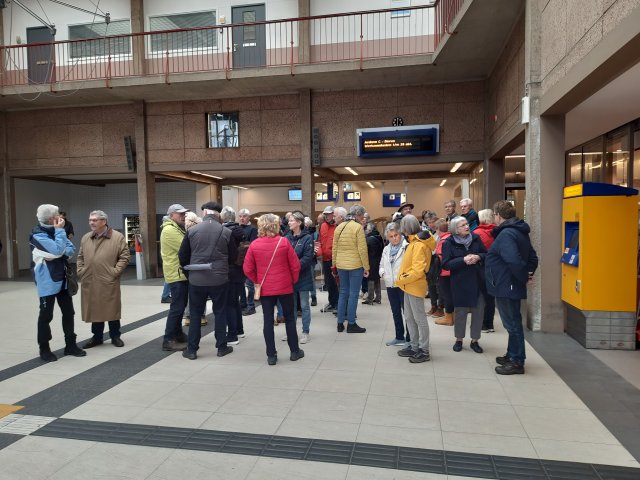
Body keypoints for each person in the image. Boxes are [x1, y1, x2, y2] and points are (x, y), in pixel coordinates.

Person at [486, 200, 538, 375]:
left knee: (513, 324)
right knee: (512, 322)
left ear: (498, 215)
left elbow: (513, 260)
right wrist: (528, 273)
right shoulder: (519, 231)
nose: (494, 217)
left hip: (506, 284)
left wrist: (524, 276)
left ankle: (517, 361)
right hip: (508, 283)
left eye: (494, 214)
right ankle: (512, 354)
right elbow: (532, 256)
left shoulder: (507, 234)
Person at [244, 213, 303, 365]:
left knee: (268, 321)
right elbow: (295, 265)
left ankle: (271, 355)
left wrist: (257, 281)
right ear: (275, 226)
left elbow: (247, 268)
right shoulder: (284, 242)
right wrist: (292, 280)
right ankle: (294, 351)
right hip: (285, 287)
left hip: (266, 289)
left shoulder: (254, 245)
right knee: (290, 319)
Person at [179, 201, 235, 360]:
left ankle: (192, 350)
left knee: (195, 314)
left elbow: (182, 256)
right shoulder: (226, 232)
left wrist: (190, 274)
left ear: (204, 213)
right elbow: (233, 257)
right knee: (220, 312)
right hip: (219, 279)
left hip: (197, 280)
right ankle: (221, 347)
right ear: (219, 215)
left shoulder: (191, 231)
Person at [30, 204, 86, 362]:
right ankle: (44, 349)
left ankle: (70, 345)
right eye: (57, 215)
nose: (61, 218)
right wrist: (60, 235)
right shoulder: (37, 235)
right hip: (47, 281)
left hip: (63, 279)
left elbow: (69, 250)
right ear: (50, 219)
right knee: (46, 315)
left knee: (69, 313)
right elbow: (57, 251)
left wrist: (58, 251)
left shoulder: (56, 232)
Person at [77, 210, 130, 349]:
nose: (91, 223)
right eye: (90, 220)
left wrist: (115, 272)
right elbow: (80, 257)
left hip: (108, 279)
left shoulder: (117, 237)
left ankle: (115, 336)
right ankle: (97, 337)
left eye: (94, 220)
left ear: (104, 221)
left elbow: (124, 256)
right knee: (95, 309)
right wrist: (81, 271)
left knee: (111, 309)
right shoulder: (86, 238)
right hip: (90, 279)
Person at [441, 216, 487, 354]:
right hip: (459, 282)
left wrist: (478, 257)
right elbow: (446, 264)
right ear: (455, 229)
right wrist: (463, 260)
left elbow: (486, 253)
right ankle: (459, 339)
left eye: (466, 224)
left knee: (478, 311)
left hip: (477, 280)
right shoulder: (448, 242)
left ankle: (475, 340)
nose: (467, 227)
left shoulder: (475, 238)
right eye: (462, 225)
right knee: (460, 312)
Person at [395, 215, 435, 363]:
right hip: (408, 285)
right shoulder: (413, 242)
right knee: (409, 318)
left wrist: (401, 278)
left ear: (407, 227)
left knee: (419, 319)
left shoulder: (419, 245)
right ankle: (414, 346)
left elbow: (418, 270)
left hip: (415, 286)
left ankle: (424, 350)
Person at [332, 205, 369, 333]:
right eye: (362, 216)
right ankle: (351, 324)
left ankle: (340, 323)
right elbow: (362, 250)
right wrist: (366, 267)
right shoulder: (358, 228)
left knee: (343, 293)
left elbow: (334, 249)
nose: (362, 218)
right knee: (353, 294)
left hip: (341, 265)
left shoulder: (339, 227)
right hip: (355, 266)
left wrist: (334, 264)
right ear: (358, 215)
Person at [160, 204, 190, 352]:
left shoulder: (176, 227)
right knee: (177, 308)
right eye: (180, 214)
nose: (183, 216)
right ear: (172, 215)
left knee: (180, 306)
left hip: (180, 274)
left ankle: (177, 334)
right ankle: (169, 339)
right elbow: (185, 246)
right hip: (176, 274)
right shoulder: (169, 230)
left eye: (184, 213)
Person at [286, 211, 314, 344]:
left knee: (304, 306)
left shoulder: (307, 238)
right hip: (290, 278)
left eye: (292, 220)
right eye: (289, 220)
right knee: (291, 306)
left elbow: (307, 259)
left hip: (303, 276)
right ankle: (291, 332)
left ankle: (305, 332)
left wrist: (294, 267)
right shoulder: (286, 238)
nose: (289, 222)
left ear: (299, 222)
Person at [379, 222, 409, 346]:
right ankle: (399, 336)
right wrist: (383, 274)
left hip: (403, 284)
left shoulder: (407, 247)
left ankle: (410, 338)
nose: (394, 238)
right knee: (395, 311)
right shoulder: (386, 249)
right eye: (391, 236)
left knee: (407, 312)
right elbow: (381, 264)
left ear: (400, 233)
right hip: (390, 284)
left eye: (396, 235)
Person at [221, 206, 246, 345]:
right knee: (235, 301)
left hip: (229, 270)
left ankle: (232, 335)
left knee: (229, 303)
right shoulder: (240, 230)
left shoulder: (225, 232)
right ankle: (239, 330)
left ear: (223, 217)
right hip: (239, 270)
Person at [475, 209, 497, 333]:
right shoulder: (497, 232)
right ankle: (490, 324)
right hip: (494, 267)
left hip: (480, 266)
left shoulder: (477, 233)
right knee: (490, 296)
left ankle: (483, 323)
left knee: (480, 296)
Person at [182, 211, 204, 327]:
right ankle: (199, 316)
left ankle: (190, 316)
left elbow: (183, 255)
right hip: (199, 269)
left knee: (193, 294)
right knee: (200, 294)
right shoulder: (199, 232)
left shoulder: (186, 233)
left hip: (190, 269)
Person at [318, 206, 339, 313]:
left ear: (333, 214)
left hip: (335, 259)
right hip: (325, 259)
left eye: (328, 214)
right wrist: (319, 252)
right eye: (325, 214)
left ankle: (338, 304)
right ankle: (332, 302)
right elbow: (320, 241)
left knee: (336, 283)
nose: (326, 216)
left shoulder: (338, 226)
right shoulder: (323, 226)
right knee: (329, 283)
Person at [238, 208, 258, 316]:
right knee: (240, 285)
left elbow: (252, 244)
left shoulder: (252, 229)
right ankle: (243, 305)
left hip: (249, 260)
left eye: (244, 216)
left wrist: (241, 245)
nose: (242, 218)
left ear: (248, 217)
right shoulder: (237, 228)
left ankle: (251, 306)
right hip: (239, 261)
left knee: (250, 285)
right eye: (240, 216)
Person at [434, 218, 454, 326]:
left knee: (447, 295)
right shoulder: (451, 238)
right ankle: (452, 315)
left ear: (438, 230)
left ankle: (448, 317)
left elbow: (440, 258)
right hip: (452, 271)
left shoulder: (443, 241)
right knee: (451, 294)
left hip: (444, 272)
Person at [363, 221, 384, 305]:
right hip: (378, 260)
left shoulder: (369, 239)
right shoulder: (379, 237)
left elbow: (365, 251)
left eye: (367, 229)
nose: (366, 231)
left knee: (370, 279)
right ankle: (378, 298)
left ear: (370, 230)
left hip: (371, 261)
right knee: (377, 279)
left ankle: (370, 298)